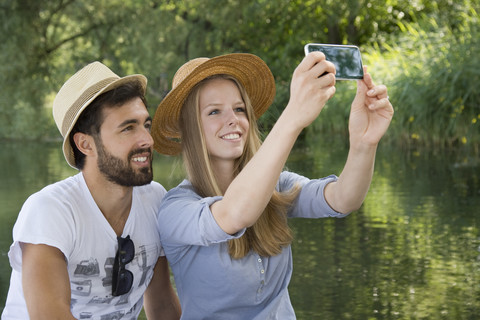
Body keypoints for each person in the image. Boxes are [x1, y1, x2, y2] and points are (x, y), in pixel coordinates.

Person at [151, 52, 394, 319]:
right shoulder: (176, 209)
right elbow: (234, 214)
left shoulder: (276, 185)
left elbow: (342, 199)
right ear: (190, 129)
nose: (233, 119)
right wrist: (293, 117)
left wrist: (364, 144)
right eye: (214, 111)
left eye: (240, 109)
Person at [2, 62, 181, 319]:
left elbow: (163, 305)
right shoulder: (50, 210)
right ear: (85, 143)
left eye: (146, 125)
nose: (147, 140)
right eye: (128, 128)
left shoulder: (155, 199)